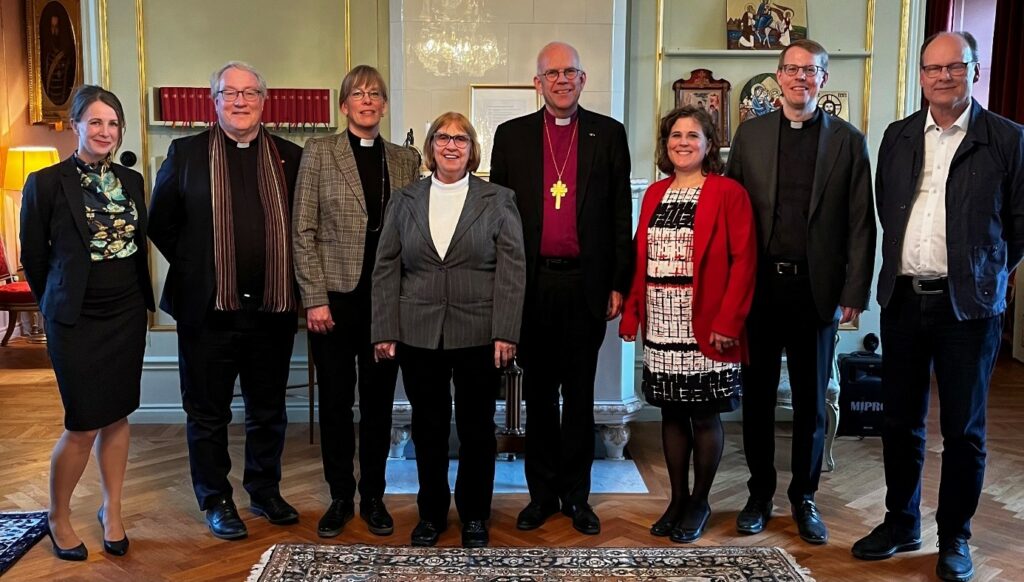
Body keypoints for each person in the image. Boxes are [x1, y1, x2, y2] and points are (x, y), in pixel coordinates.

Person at [852, 32, 1024, 582]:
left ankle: (955, 537)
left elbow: (1017, 227)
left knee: (963, 430)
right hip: (904, 299)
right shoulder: (898, 136)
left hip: (968, 307)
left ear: (975, 70)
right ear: (921, 75)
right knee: (899, 421)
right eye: (933, 68)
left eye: (955, 67)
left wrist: (984, 270)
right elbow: (887, 210)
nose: (943, 76)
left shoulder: (1008, 139)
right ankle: (901, 522)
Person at [726, 39, 875, 545]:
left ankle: (804, 497)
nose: (799, 78)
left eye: (809, 71)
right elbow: (731, 214)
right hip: (761, 286)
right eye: (791, 70)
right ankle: (759, 493)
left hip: (817, 290)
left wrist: (855, 288)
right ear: (778, 76)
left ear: (822, 79)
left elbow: (861, 223)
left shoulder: (849, 141)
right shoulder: (750, 135)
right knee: (758, 397)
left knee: (811, 401)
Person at [148, 61, 303, 541]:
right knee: (208, 412)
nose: (239, 101)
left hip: (271, 313)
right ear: (213, 100)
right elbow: (160, 223)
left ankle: (264, 489)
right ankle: (215, 499)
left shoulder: (291, 157)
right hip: (207, 314)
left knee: (268, 409)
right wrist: (202, 266)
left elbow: (302, 228)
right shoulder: (186, 153)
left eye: (249, 93)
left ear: (264, 100)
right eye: (229, 93)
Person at [489, 41, 632, 536]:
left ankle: (578, 497)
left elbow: (619, 216)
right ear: (538, 82)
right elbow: (500, 222)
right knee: (540, 398)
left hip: (586, 286)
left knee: (580, 395)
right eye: (552, 73)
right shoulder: (511, 136)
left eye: (571, 71)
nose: (562, 79)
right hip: (532, 286)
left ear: (583, 78)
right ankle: (541, 495)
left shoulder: (608, 135)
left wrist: (619, 283)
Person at [371, 112, 525, 548]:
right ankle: (432, 515)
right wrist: (384, 328)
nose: (451, 145)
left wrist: (506, 332)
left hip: (480, 334)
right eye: (443, 137)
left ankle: (475, 515)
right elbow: (386, 269)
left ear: (472, 149)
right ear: (431, 146)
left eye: (461, 138)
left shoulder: (498, 199)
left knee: (477, 428)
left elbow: (513, 272)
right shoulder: (405, 200)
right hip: (418, 334)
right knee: (429, 429)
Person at [20, 85, 154, 560]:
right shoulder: (46, 183)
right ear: (75, 125)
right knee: (82, 423)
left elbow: (139, 246)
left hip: (125, 312)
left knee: (117, 415)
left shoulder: (132, 181)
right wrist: (58, 304)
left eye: (112, 123)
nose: (105, 131)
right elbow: (33, 259)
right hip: (75, 319)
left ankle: (111, 509)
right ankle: (57, 514)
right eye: (95, 122)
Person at [292, 65, 421, 539]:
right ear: (344, 105)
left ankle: (373, 497)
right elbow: (302, 230)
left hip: (386, 301)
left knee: (379, 404)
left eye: (376, 94)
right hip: (334, 302)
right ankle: (340, 496)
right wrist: (314, 298)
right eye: (358, 94)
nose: (367, 101)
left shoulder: (405, 159)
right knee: (336, 402)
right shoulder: (320, 152)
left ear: (384, 105)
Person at [620, 106, 757, 543]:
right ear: (666, 145)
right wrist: (632, 313)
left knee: (704, 415)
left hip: (709, 323)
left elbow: (743, 262)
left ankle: (700, 501)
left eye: (692, 135)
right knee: (672, 413)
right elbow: (640, 259)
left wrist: (729, 321)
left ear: (708, 144)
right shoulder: (655, 194)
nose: (683, 142)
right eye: (675, 135)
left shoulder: (728, 192)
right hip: (662, 323)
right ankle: (676, 499)